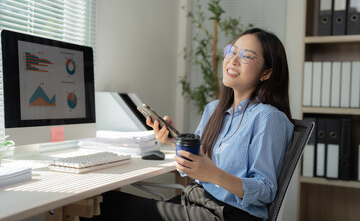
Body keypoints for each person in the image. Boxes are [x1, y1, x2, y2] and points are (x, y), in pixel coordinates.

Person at [82, 28, 294, 221]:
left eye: (247, 56)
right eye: (232, 51)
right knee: (95, 202)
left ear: (266, 73)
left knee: (100, 205)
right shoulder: (214, 109)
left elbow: (266, 191)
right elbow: (198, 163)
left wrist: (214, 175)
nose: (233, 60)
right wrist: (174, 141)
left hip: (228, 214)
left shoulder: (268, 118)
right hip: (197, 200)